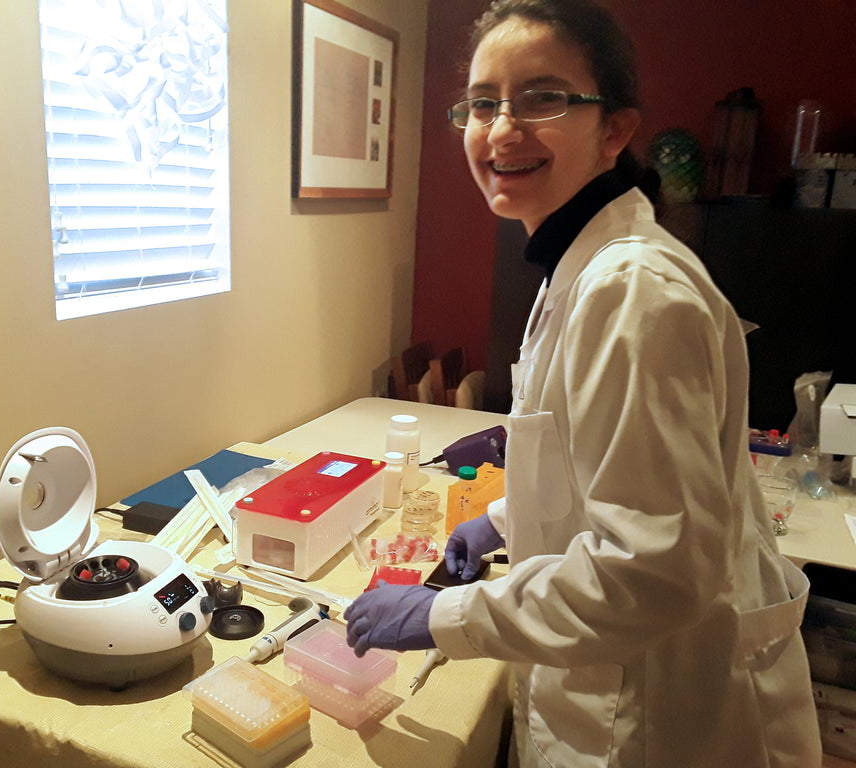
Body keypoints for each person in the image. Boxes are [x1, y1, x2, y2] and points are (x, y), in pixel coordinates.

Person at [343, 1, 822, 765]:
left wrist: (444, 616)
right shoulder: (575, 262)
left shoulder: (630, 288)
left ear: (616, 130)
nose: (501, 129)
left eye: (543, 97)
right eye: (483, 103)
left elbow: (654, 571)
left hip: (659, 715)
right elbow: (591, 456)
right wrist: (502, 520)